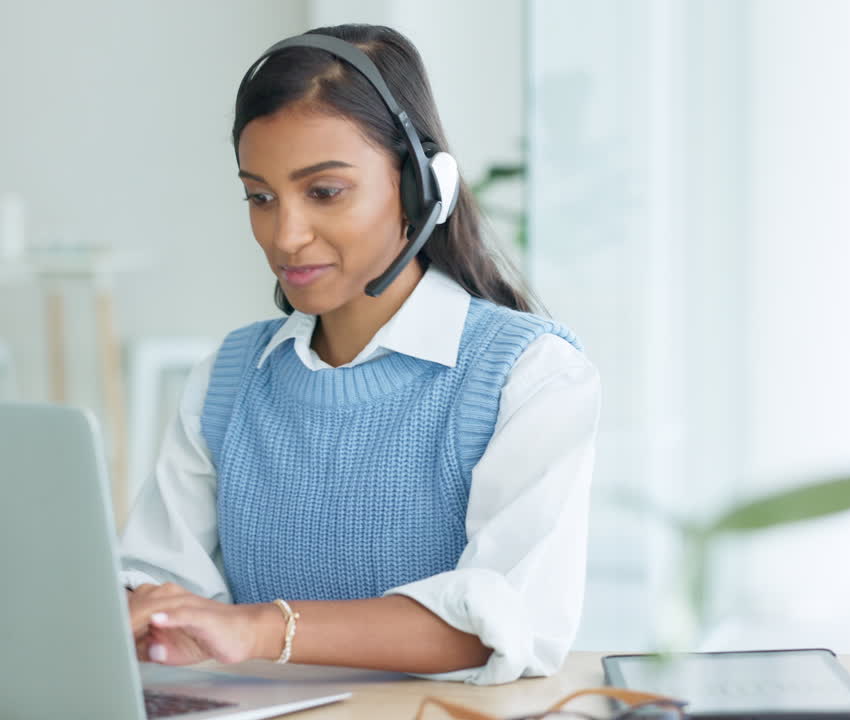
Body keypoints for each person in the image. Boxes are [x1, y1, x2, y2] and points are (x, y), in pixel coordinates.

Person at [118, 23, 601, 685]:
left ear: (421, 189)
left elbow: (503, 621)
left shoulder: (532, 376)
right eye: (260, 197)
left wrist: (260, 628)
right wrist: (136, 611)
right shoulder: (228, 379)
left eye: (324, 192)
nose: (285, 235)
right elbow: (158, 581)